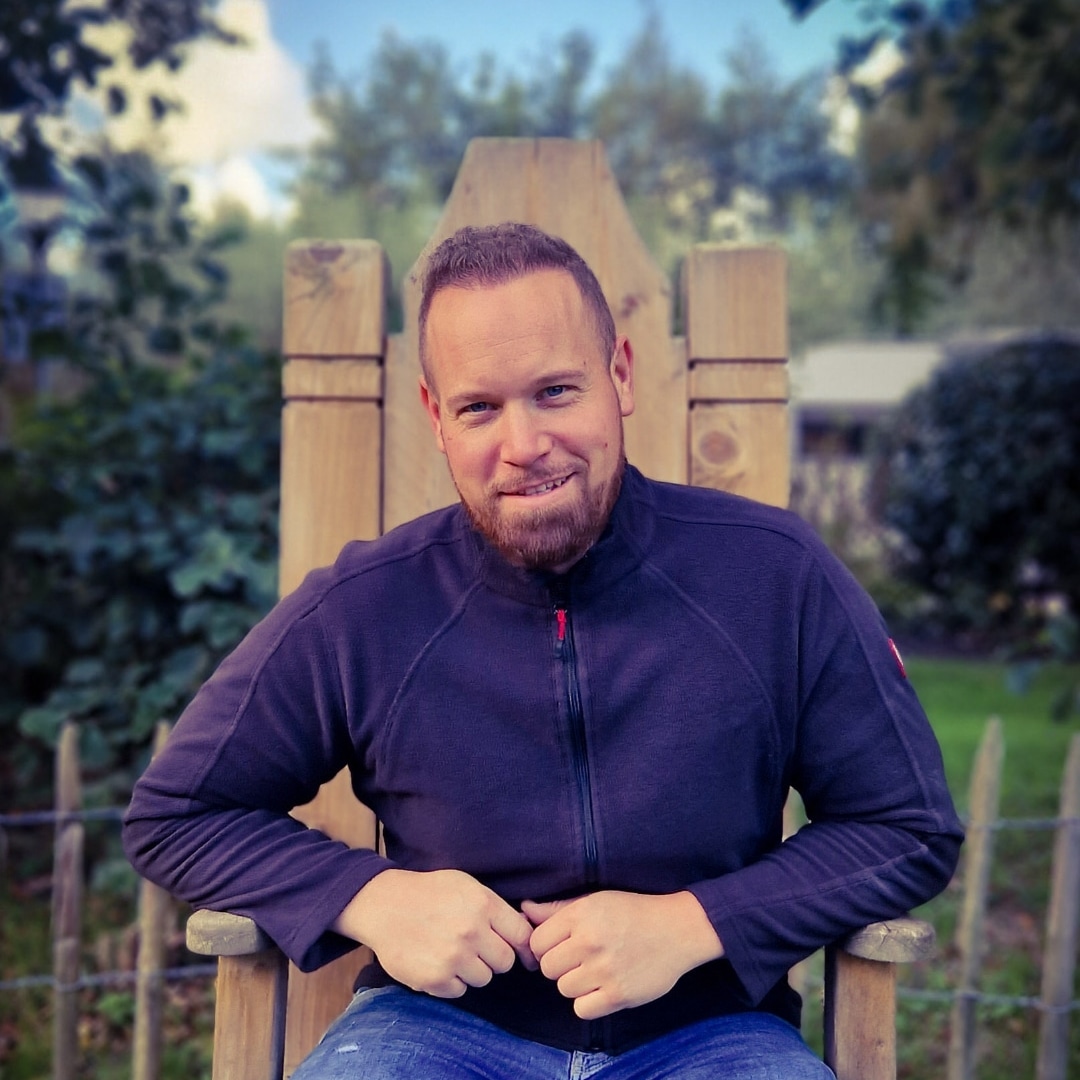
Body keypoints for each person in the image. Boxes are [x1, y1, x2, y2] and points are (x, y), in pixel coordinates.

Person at [124, 222, 963, 1079]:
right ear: (436, 418)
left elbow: (907, 827)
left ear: (620, 376)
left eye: (555, 392)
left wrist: (697, 922)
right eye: (479, 408)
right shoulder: (362, 607)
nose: (523, 446)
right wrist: (370, 897)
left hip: (715, 1036)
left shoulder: (775, 575)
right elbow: (176, 815)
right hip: (426, 1034)